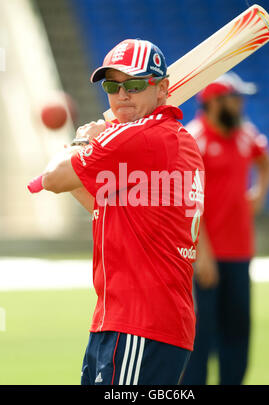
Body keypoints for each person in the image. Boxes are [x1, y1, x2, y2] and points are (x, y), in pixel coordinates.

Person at [39, 39, 205, 385]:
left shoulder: (140, 137)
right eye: (113, 86)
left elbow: (53, 178)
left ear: (162, 89)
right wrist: (94, 150)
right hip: (129, 321)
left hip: (140, 322)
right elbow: (104, 208)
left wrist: (83, 141)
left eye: (133, 84)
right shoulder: (176, 138)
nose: (121, 95)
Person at [181, 74, 269, 385]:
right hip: (203, 256)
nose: (241, 104)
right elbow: (187, 203)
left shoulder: (245, 134)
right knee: (199, 338)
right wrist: (201, 254)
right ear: (215, 103)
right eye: (235, 98)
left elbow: (267, 162)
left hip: (239, 252)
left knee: (237, 333)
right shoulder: (193, 140)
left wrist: (259, 193)